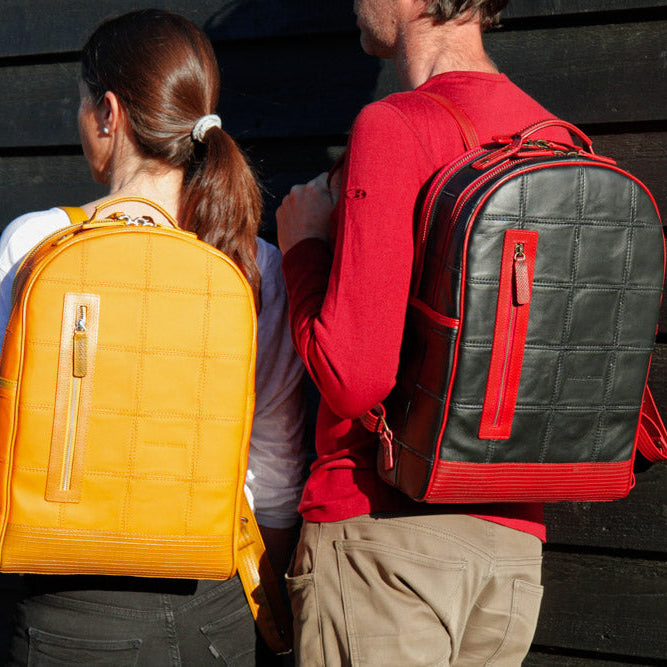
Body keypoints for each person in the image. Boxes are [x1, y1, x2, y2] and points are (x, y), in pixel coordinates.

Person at [1, 9, 305, 666]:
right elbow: (276, 472)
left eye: (82, 103)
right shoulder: (254, 263)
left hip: (68, 600)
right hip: (216, 603)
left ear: (108, 113)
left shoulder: (36, 241)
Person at [276, 1, 568, 665]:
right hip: (511, 555)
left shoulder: (394, 126)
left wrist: (303, 250)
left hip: (384, 542)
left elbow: (353, 377)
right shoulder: (555, 136)